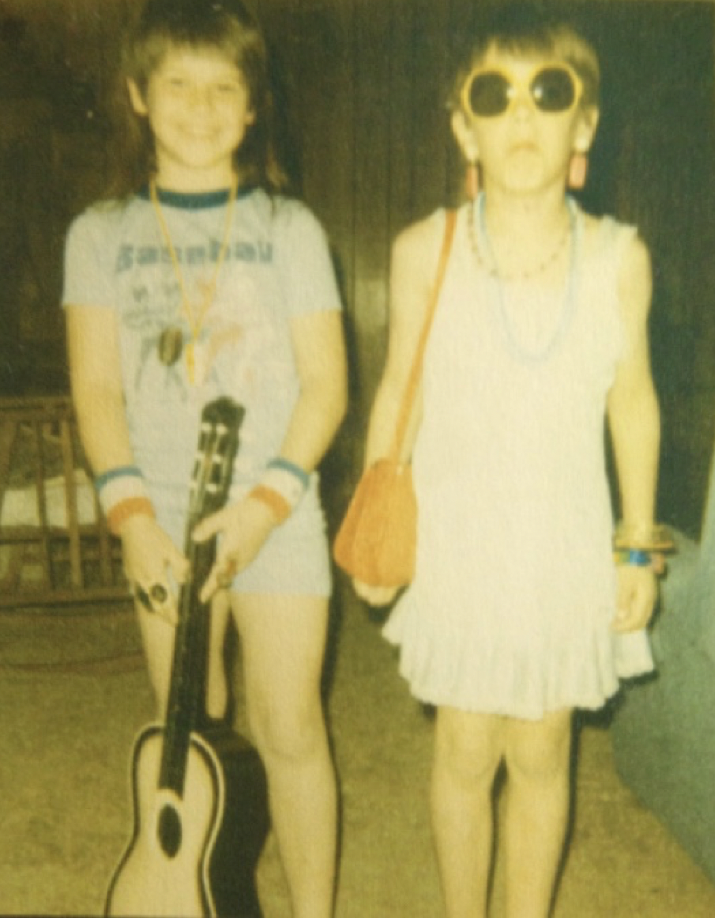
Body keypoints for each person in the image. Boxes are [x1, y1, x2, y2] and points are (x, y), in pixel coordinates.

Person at [354, 4, 666, 916]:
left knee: (542, 751)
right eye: (494, 96)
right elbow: (394, 399)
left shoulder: (619, 258)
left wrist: (637, 542)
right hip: (461, 543)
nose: (521, 116)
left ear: (586, 121)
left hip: (562, 545)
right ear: (463, 126)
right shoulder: (425, 251)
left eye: (548, 92)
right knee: (464, 750)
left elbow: (633, 402)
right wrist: (377, 522)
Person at [64, 2, 346, 915]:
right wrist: (132, 518)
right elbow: (98, 391)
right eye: (177, 83)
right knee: (192, 720)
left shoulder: (291, 229)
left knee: (289, 722)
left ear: (254, 106)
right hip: (158, 519)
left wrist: (263, 510)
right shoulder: (99, 235)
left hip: (276, 510)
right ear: (138, 95)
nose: (200, 104)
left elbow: (327, 390)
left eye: (224, 85)